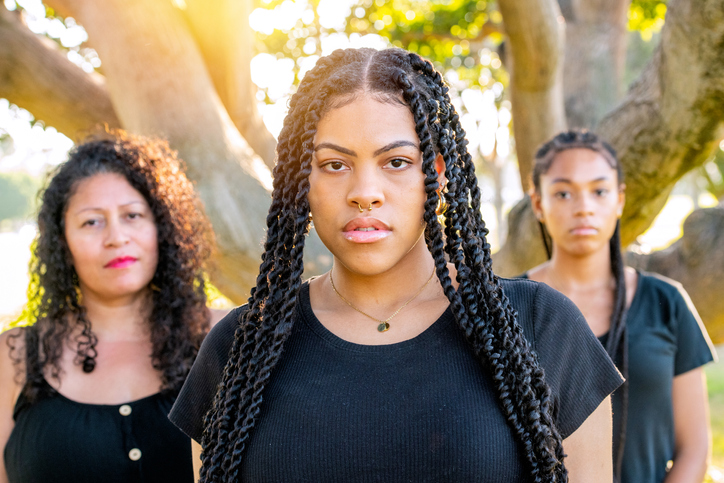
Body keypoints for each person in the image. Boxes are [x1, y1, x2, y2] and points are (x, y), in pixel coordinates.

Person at [169, 48, 624, 483]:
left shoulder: (542, 327)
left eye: (397, 161)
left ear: (437, 176)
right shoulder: (240, 349)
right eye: (333, 164)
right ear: (301, 179)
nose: (365, 191)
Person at [0, 132, 219, 483]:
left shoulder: (226, 338)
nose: (116, 237)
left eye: (132, 215)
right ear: (62, 241)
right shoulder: (11, 358)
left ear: (162, 228)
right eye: (92, 221)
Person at [525, 129, 717, 483]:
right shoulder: (510, 307)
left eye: (599, 191)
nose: (584, 207)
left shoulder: (666, 303)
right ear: (538, 203)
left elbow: (695, 449)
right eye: (563, 192)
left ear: (619, 200)